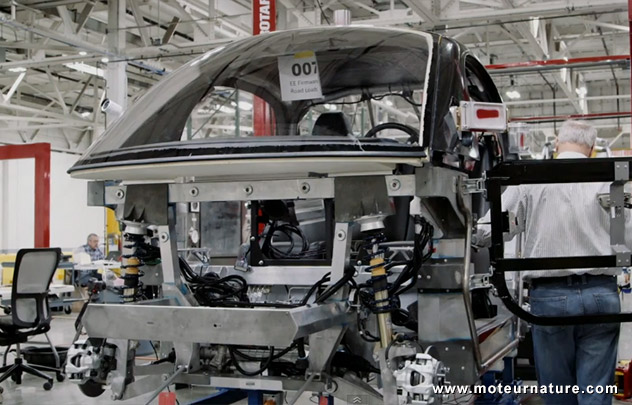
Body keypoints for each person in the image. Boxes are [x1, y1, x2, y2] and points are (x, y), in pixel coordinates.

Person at [475, 120, 623, 405]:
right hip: (601, 295)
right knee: (595, 392)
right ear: (591, 149)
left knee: (557, 392)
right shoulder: (610, 180)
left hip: (550, 297)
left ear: (556, 143)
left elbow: (488, 229)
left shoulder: (532, 178)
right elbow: (625, 239)